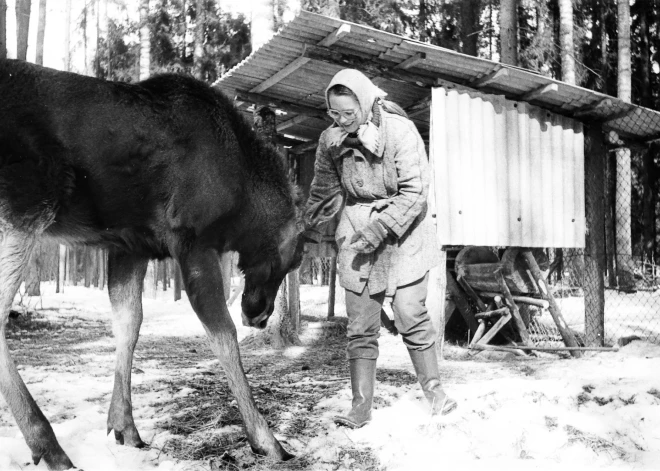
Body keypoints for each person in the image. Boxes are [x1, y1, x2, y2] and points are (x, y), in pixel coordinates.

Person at [304, 69, 457, 429]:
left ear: (366, 102)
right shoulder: (330, 140)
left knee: (409, 313)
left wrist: (382, 227)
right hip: (357, 232)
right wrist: (306, 224)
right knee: (360, 325)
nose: (342, 121)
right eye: (335, 113)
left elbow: (416, 191)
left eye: (349, 113)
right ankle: (360, 406)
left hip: (404, 232)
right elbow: (322, 191)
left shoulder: (399, 131)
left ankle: (436, 393)